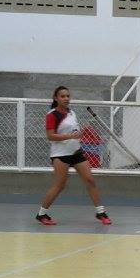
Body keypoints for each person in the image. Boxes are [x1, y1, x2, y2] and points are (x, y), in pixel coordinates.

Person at [37, 85, 110, 226]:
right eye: (62, 96)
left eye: (68, 96)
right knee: (59, 185)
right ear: (56, 98)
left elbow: (75, 132)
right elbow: (50, 136)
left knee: (90, 180)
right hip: (60, 155)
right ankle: (41, 214)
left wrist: (79, 135)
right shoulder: (52, 115)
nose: (66, 98)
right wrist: (70, 136)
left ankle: (100, 212)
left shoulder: (72, 113)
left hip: (76, 152)